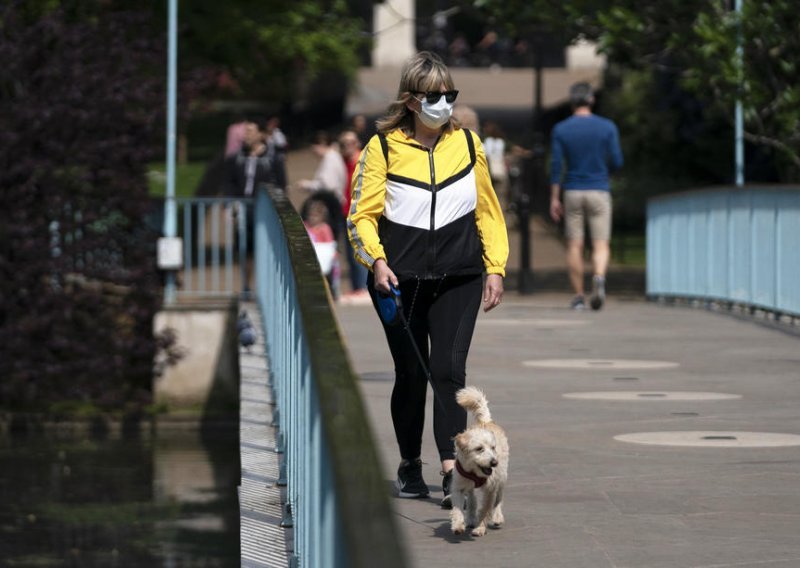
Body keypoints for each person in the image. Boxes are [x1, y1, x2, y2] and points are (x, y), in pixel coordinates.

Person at [347, 51, 508, 508]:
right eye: (435, 96)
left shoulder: (469, 144)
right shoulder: (381, 148)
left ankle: (448, 467)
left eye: (450, 95)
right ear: (411, 101)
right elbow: (362, 216)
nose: (444, 103)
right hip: (398, 280)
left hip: (459, 275)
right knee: (412, 374)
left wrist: (494, 266)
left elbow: (489, 211)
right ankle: (407, 464)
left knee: (448, 373)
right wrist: (376, 261)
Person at [549, 82, 623, 311]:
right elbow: (617, 161)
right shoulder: (607, 127)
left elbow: (556, 166)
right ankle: (599, 277)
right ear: (591, 100)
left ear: (572, 102)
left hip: (573, 190)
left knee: (574, 245)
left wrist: (554, 198)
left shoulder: (561, 129)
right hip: (599, 189)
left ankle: (579, 296)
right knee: (601, 244)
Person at [226, 121, 276, 294]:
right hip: (243, 208)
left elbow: (280, 184)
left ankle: (263, 287)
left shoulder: (271, 158)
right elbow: (230, 183)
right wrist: (231, 205)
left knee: (262, 248)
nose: (245, 136)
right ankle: (246, 285)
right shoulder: (237, 158)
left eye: (250, 132)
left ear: (260, 135)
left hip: (263, 210)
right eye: (245, 132)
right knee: (244, 249)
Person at [296, 131, 348, 243]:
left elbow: (328, 186)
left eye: (314, 148)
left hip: (329, 209)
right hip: (334, 206)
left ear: (321, 144)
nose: (313, 152)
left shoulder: (330, 159)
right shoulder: (334, 156)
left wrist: (307, 185)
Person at [337, 129, 370, 304]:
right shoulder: (342, 163)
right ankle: (357, 288)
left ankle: (363, 289)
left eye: (350, 143)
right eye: (343, 144)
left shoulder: (361, 160)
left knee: (358, 251)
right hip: (345, 212)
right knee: (350, 255)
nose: (347, 147)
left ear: (357, 143)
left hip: (358, 213)